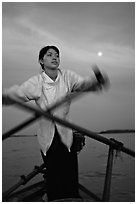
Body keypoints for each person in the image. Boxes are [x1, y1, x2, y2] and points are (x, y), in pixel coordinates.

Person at [3, 45, 109, 201]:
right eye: (50, 55)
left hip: (66, 132)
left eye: (57, 55)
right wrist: (4, 95)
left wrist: (96, 81)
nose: (55, 58)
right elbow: (19, 92)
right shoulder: (37, 81)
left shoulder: (67, 76)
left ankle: (71, 198)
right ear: (41, 60)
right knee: (54, 174)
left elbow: (84, 84)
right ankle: (54, 198)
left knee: (70, 172)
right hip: (48, 135)